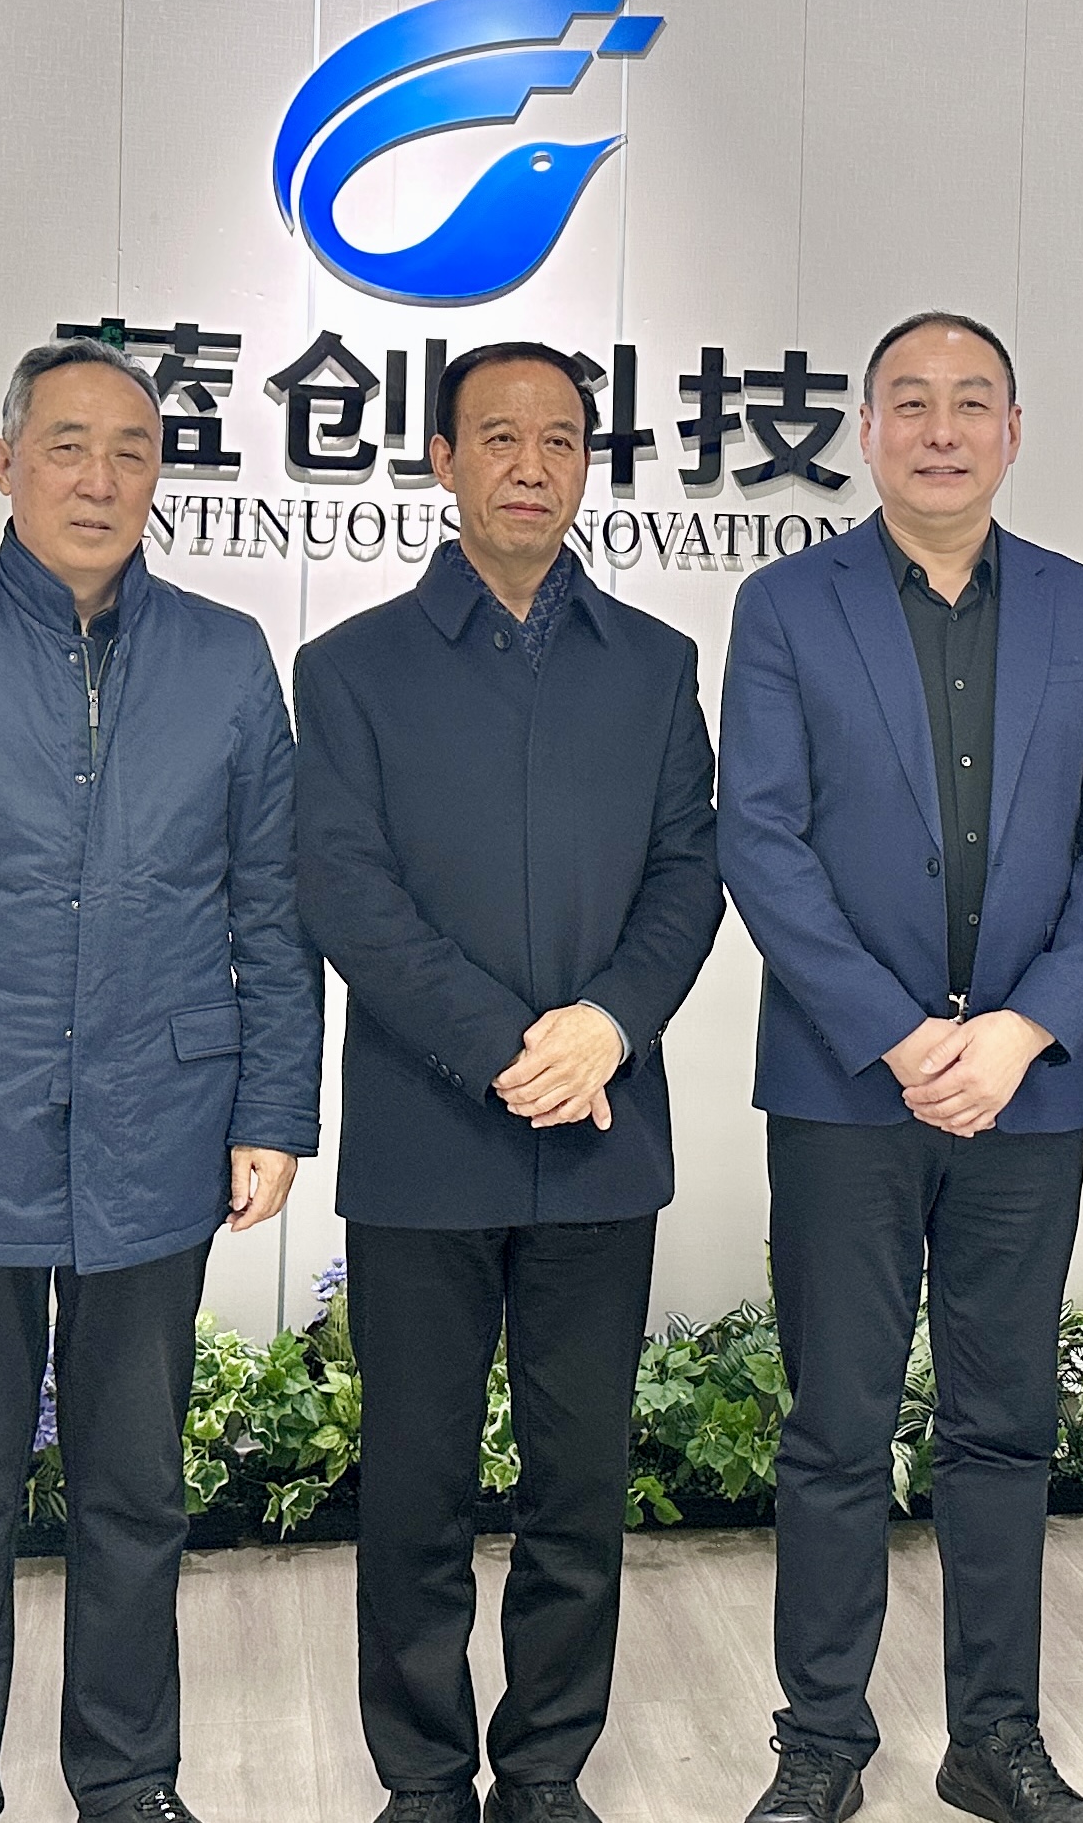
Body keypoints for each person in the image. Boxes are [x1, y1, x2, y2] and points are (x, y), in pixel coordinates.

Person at [0, 335, 323, 1823]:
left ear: (161, 475)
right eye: (67, 447)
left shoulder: (225, 656)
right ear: (5, 463)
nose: (99, 479)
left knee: (135, 1490)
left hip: (164, 1121)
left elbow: (271, 907)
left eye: (131, 452)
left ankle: (129, 1779)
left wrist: (275, 1108)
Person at [716, 311, 1083, 1823]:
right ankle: (821, 1745)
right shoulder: (789, 607)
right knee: (836, 1428)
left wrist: (1024, 1031)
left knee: (1003, 1428)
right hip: (847, 1086)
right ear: (866, 430)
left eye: (973, 402)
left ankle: (997, 1740)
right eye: (910, 402)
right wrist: (905, 1035)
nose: (942, 429)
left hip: (1026, 1092)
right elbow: (760, 840)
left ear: (1015, 433)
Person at [294, 342, 726, 1823]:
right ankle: (422, 1779)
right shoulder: (351, 668)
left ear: (588, 465)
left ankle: (545, 1771)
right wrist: (505, 1049)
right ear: (442, 461)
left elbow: (689, 874)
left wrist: (609, 1024)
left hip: (603, 1135)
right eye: (498, 437)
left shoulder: (654, 665)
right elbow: (344, 892)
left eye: (560, 440)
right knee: (414, 1488)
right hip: (425, 1141)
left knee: (578, 1489)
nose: (530, 466)